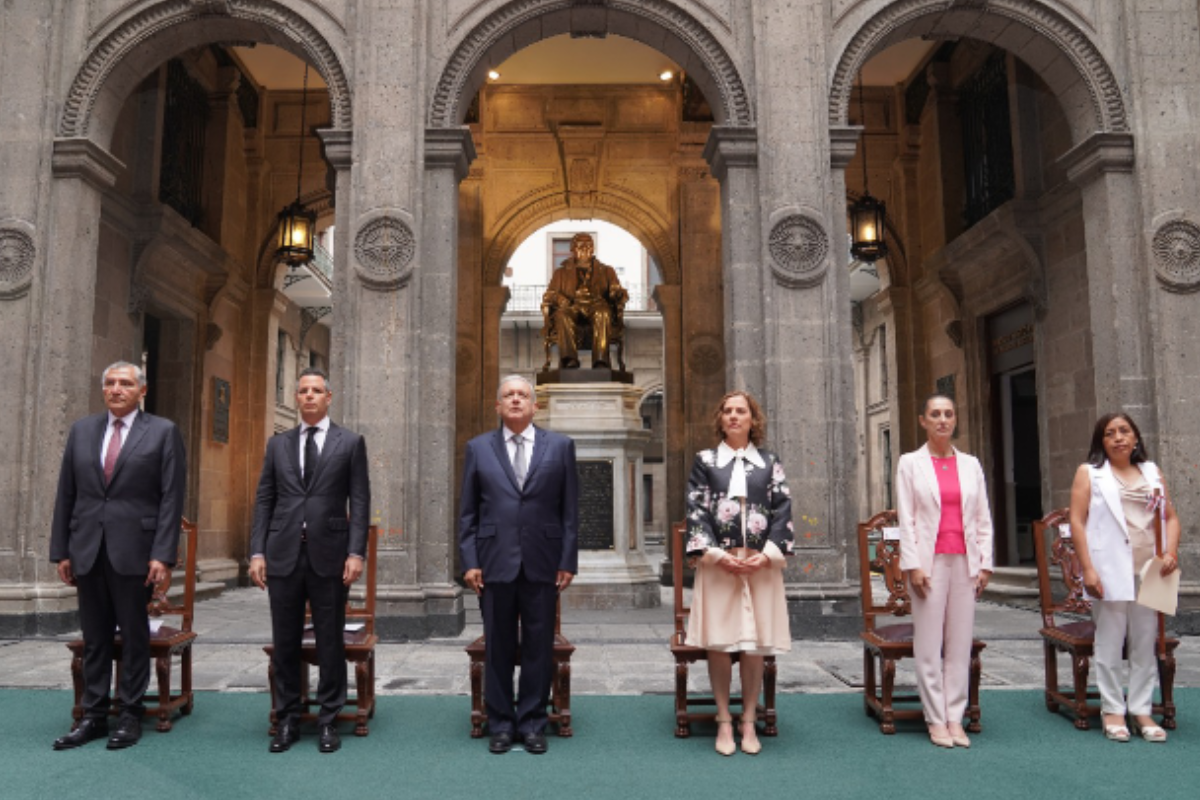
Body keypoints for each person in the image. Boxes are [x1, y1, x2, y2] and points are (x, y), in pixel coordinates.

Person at [49, 361, 187, 750]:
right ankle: (92, 716)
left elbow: (171, 499)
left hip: (137, 552)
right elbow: (67, 494)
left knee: (133, 635)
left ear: (142, 391)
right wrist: (62, 550)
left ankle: (129, 714)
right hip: (87, 549)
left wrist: (163, 553)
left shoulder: (163, 432)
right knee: (95, 638)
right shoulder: (82, 431)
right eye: (109, 383)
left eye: (125, 383)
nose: (116, 389)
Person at [250, 368, 371, 754]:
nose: (308, 397)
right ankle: (286, 718)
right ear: (297, 397)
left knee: (329, 639)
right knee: (284, 640)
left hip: (331, 555)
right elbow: (265, 499)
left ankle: (328, 718)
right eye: (302, 391)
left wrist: (356, 552)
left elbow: (360, 500)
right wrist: (257, 551)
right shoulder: (278, 444)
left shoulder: (350, 443)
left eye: (316, 391)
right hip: (283, 553)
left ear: (329, 397)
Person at [459, 375, 578, 755]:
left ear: (534, 405)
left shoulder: (560, 447)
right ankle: (500, 723)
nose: (515, 400)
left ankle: (531, 722)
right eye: (508, 395)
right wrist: (470, 560)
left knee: (538, 646)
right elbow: (468, 513)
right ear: (498, 406)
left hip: (543, 561)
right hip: (493, 562)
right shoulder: (478, 448)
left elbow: (569, 511)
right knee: (498, 644)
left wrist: (567, 560)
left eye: (522, 395)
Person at [684, 390, 793, 756]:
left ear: (752, 419)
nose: (733, 416)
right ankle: (723, 720)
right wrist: (715, 554)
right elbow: (696, 509)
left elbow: (782, 509)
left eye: (741, 411)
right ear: (720, 419)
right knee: (719, 641)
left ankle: (748, 720)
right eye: (727, 410)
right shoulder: (705, 460)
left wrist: (767, 556)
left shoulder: (769, 461)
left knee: (754, 644)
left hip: (760, 564)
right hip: (719, 565)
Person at [1069, 412, 1181, 743]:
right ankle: (1112, 710)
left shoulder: (1152, 472)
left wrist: (1171, 552)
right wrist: (1087, 568)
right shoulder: (1090, 473)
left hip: (1149, 570)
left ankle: (1142, 709)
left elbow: (1171, 518)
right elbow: (1077, 521)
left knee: (1145, 641)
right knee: (1110, 639)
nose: (1118, 437)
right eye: (1110, 433)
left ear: (1135, 438)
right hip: (1108, 568)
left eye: (1124, 431)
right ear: (1101, 441)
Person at [896, 394, 993, 749]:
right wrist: (914, 565)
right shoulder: (910, 463)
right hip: (928, 563)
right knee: (928, 644)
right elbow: (906, 518)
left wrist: (985, 563)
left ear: (955, 420)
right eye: (935, 414)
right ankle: (935, 718)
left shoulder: (971, 464)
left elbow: (983, 518)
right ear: (923, 420)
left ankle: (955, 716)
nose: (942, 420)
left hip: (965, 562)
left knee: (959, 643)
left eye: (948, 414)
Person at [543, 233, 628, 369]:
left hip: (596, 303)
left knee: (603, 312)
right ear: (572, 249)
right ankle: (569, 360)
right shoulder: (561, 272)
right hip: (572, 305)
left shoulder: (606, 271)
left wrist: (617, 293)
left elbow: (617, 290)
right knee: (562, 315)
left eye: (589, 245)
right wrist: (560, 299)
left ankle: (601, 361)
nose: (585, 249)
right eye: (581, 245)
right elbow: (549, 295)